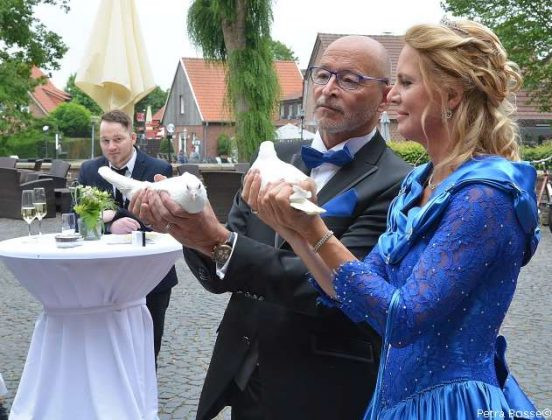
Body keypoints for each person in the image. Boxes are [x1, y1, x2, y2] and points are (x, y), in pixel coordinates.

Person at [245, 20, 541, 419]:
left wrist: (314, 229)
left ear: (450, 95)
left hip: (451, 405)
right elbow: (350, 293)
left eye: (404, 83)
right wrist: (291, 228)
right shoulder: (420, 183)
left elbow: (402, 319)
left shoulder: (484, 196)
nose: (392, 97)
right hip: (394, 400)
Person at [132, 36, 411, 419]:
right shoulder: (271, 156)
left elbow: (345, 292)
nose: (328, 89)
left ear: (384, 96)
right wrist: (184, 226)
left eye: (349, 79)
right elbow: (221, 275)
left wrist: (216, 239)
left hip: (325, 386)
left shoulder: (399, 182)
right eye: (323, 74)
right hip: (244, 374)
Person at [78, 109, 178, 364]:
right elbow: (78, 220)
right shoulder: (89, 170)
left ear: (133, 137)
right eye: (105, 140)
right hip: (102, 275)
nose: (111, 147)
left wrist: (116, 213)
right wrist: (110, 226)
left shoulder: (158, 169)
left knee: (148, 345)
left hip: (152, 275)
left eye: (118, 139)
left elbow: (167, 222)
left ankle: (146, 400)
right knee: (106, 346)